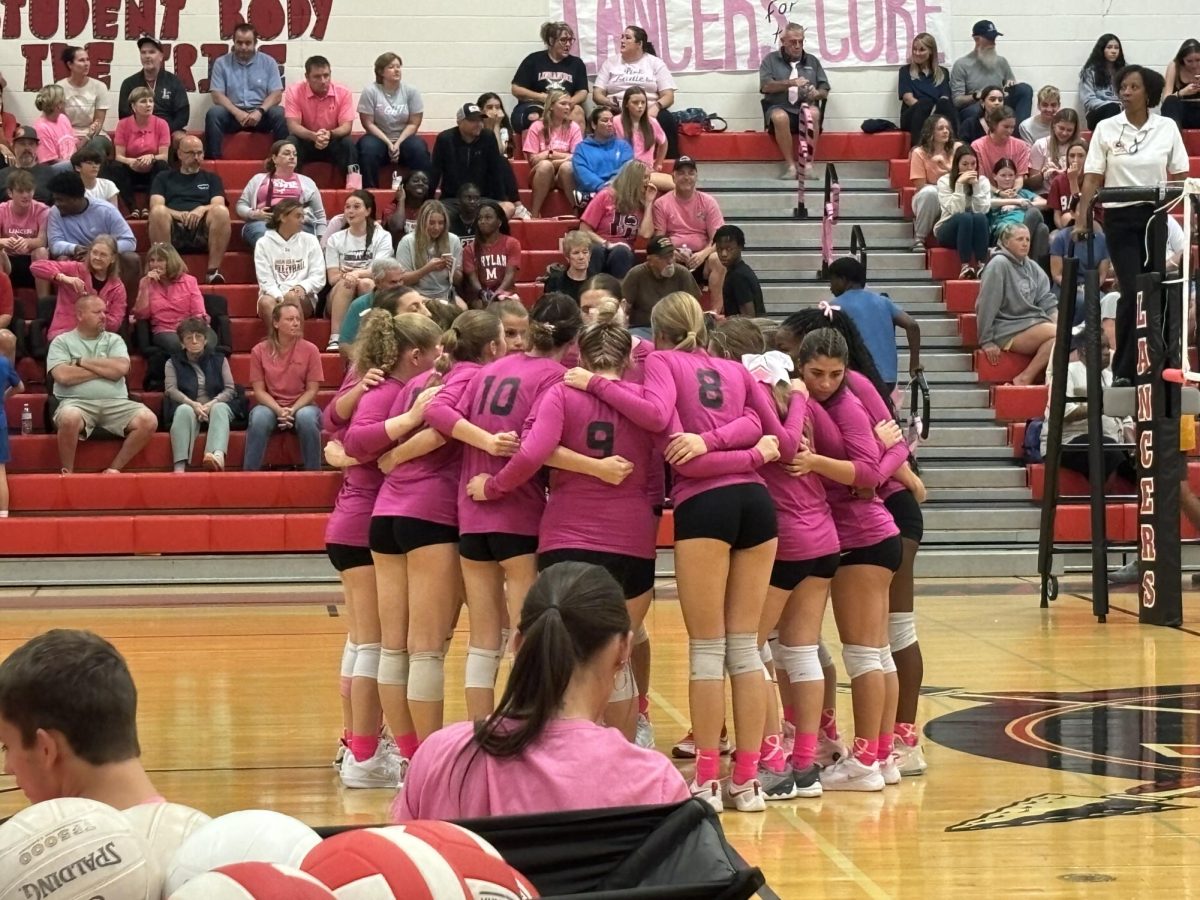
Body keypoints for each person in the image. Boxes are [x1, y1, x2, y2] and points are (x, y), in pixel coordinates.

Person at [566, 291, 784, 812]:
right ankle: (748, 781)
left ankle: (708, 778)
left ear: (656, 332)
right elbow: (774, 435)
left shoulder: (661, 361)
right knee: (747, 649)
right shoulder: (735, 369)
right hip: (758, 503)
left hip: (706, 506)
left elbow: (664, 423)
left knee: (708, 649)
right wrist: (746, 452)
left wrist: (595, 381)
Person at [395, 562, 689, 820]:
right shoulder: (654, 783)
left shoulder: (441, 758)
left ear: (518, 643)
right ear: (623, 648)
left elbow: (408, 870)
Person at [412, 294, 582, 721]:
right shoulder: (555, 378)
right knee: (524, 632)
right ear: (572, 337)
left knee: (484, 637)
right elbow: (533, 450)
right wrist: (496, 485)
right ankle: (519, 726)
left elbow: (437, 411)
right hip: (515, 513)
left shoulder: (490, 370)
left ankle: (480, 732)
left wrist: (482, 448)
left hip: (470, 518)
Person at [332, 310, 444, 784]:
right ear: (414, 354)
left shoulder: (383, 387)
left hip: (353, 520)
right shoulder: (388, 391)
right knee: (377, 645)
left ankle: (360, 746)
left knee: (364, 643)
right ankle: (366, 754)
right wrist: (413, 420)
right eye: (435, 350)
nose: (441, 357)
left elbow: (339, 435)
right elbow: (353, 439)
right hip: (362, 522)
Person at [1076, 64, 1189, 385]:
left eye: (1133, 87)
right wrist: (1083, 217)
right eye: (1122, 87)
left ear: (1148, 93)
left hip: (1155, 215)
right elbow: (1092, 176)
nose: (1125, 92)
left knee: (1156, 284)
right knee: (1130, 287)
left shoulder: (1166, 127)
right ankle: (1124, 370)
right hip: (1120, 218)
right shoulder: (1107, 128)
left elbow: (1181, 176)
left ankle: (1161, 361)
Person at [0, 629, 162, 807]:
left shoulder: (23, 833)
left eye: (6, 746)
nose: (7, 768)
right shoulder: (188, 830)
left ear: (45, 749)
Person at [47, 294, 157, 473]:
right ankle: (68, 472)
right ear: (80, 315)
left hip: (117, 404)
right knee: (69, 418)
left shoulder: (115, 340)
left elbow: (120, 369)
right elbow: (63, 376)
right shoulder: (62, 342)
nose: (104, 316)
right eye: (97, 312)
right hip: (76, 403)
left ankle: (114, 469)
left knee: (149, 420)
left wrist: (80, 361)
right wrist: (104, 369)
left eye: (104, 311)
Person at [1040, 330, 1133, 484]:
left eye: (1108, 348)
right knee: (1107, 450)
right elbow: (1064, 413)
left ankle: (1140, 506)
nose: (1107, 353)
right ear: (1084, 350)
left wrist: (1131, 443)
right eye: (1101, 347)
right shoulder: (1066, 373)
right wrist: (1102, 406)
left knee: (1145, 458)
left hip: (1110, 440)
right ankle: (1102, 506)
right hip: (1068, 441)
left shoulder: (1111, 376)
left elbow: (1125, 418)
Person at [245, 300, 324, 471]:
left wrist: (292, 409)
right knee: (259, 418)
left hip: (303, 404)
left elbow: (312, 390)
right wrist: (279, 410)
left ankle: (314, 474)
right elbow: (259, 391)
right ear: (275, 323)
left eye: (297, 319)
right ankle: (249, 475)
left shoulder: (311, 350)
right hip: (270, 404)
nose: (296, 323)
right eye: (289, 319)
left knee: (307, 419)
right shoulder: (259, 351)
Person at [976, 222, 1058, 385]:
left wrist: (1057, 322)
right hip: (1007, 328)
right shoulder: (998, 264)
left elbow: (1047, 300)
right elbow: (986, 304)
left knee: (1059, 340)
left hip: (1032, 323)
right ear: (1006, 242)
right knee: (1063, 335)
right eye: (1019, 239)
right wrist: (986, 340)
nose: (1025, 243)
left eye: (1027, 239)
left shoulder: (1032, 266)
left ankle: (1025, 377)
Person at [828, 256, 922, 393]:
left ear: (843, 280)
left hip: (857, 380)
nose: (830, 287)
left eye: (832, 281)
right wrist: (914, 364)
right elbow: (912, 325)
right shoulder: (883, 301)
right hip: (887, 379)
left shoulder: (834, 306)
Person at [45, 170, 140, 303]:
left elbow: (130, 241)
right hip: (77, 258)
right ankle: (73, 310)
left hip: (105, 259)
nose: (56, 203)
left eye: (60, 200)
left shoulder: (106, 210)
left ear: (75, 198)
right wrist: (75, 248)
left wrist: (101, 251)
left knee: (131, 259)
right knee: (63, 259)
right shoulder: (55, 212)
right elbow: (54, 244)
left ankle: (123, 307)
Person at [148, 135, 231, 285]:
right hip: (173, 227)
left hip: (202, 228)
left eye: (199, 153)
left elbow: (218, 203)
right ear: (180, 154)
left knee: (221, 211)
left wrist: (201, 210)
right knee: (158, 212)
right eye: (191, 153)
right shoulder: (164, 177)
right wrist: (179, 215)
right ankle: (166, 269)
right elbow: (155, 204)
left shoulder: (211, 179)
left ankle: (213, 271)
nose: (196, 157)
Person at [593, 25, 679, 159]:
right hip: (618, 109)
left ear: (639, 44)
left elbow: (668, 96)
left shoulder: (655, 63)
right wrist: (606, 101)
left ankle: (669, 163)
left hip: (647, 109)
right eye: (622, 37)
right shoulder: (610, 63)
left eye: (627, 38)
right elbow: (597, 93)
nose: (622, 40)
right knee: (603, 119)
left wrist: (656, 107)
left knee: (667, 119)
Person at [204, 24, 289, 159]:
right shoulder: (221, 63)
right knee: (214, 113)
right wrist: (237, 113)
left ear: (255, 43)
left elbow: (276, 94)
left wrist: (260, 111)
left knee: (280, 113)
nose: (243, 47)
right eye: (240, 42)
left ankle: (282, 159)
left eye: (248, 43)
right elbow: (217, 96)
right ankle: (213, 163)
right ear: (234, 41)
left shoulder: (269, 62)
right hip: (233, 116)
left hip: (260, 116)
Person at [163, 316, 236, 472]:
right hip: (189, 405)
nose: (194, 341)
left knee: (220, 408)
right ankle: (179, 467)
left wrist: (211, 404)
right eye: (189, 338)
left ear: (205, 340)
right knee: (183, 410)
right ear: (182, 343)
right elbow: (171, 390)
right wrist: (193, 404)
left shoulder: (219, 359)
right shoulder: (172, 363)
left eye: (199, 337)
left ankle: (216, 456)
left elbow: (230, 389)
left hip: (214, 404)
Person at [324, 190, 394, 351]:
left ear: (368, 211)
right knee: (346, 283)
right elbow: (333, 278)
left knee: (367, 283)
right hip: (338, 295)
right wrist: (349, 276)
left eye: (356, 207)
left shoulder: (382, 237)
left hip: (370, 288)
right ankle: (335, 338)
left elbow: (379, 271)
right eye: (347, 207)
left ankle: (371, 336)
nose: (350, 211)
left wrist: (355, 273)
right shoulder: (335, 239)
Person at [759, 24, 830, 180]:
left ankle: (808, 164)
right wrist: (790, 83)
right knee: (779, 117)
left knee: (813, 112)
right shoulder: (770, 60)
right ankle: (791, 166)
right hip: (779, 107)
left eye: (800, 41)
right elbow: (765, 86)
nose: (797, 46)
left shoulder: (812, 60)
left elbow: (825, 89)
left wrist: (817, 94)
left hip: (805, 106)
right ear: (783, 41)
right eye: (793, 42)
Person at [651, 155, 726, 303]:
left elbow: (719, 238)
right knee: (660, 257)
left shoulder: (708, 202)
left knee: (718, 259)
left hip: (702, 258)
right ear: (673, 177)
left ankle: (715, 311)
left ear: (696, 176)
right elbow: (659, 239)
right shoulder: (661, 204)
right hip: (674, 256)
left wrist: (703, 254)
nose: (686, 177)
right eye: (681, 173)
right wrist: (671, 251)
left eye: (691, 173)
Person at [430, 104, 521, 219]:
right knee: (433, 213)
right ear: (459, 121)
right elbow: (435, 172)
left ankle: (477, 233)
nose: (478, 124)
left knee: (508, 207)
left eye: (480, 119)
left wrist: (500, 200)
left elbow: (495, 172)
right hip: (452, 200)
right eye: (472, 120)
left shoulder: (488, 137)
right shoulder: (445, 139)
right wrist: (428, 200)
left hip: (482, 199)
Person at [356, 52, 432, 190]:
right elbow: (368, 123)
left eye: (398, 66)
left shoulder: (411, 91)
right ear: (381, 71)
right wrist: (388, 143)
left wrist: (397, 143)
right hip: (379, 138)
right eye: (391, 67)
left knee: (419, 148)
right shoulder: (371, 91)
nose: (397, 70)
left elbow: (414, 123)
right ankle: (370, 192)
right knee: (368, 149)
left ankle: (422, 192)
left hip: (404, 138)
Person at [236, 140, 327, 249]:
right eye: (287, 153)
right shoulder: (258, 179)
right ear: (274, 158)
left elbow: (320, 215)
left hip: (296, 223)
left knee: (301, 239)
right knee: (266, 239)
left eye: (295, 154)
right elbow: (241, 205)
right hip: (264, 222)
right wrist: (255, 214)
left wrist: (321, 238)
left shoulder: (307, 182)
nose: (292, 157)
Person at [32, 234, 126, 340]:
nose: (97, 258)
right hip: (65, 334)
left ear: (113, 258)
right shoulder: (74, 269)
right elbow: (36, 266)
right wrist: (63, 278)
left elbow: (115, 323)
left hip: (97, 337)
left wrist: (90, 319)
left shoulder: (117, 287)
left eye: (103, 255)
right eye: (94, 252)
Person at [253, 198, 327, 327]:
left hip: (303, 297)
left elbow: (319, 276)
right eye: (298, 216)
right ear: (283, 217)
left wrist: (303, 287)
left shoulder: (311, 240)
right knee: (265, 302)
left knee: (292, 297)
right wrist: (281, 298)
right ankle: (280, 344)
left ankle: (295, 344)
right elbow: (265, 281)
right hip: (274, 296)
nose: (302, 221)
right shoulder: (263, 243)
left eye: (303, 216)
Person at [949, 21, 1033, 132]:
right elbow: (957, 100)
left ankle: (1018, 133)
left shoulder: (1001, 61)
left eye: (994, 39)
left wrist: (1010, 83)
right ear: (976, 39)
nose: (993, 43)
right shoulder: (962, 64)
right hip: (978, 104)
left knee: (1024, 89)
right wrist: (976, 96)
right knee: (973, 112)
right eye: (989, 39)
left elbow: (1010, 81)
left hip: (999, 100)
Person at [579, 160, 656, 279]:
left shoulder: (641, 203)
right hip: (601, 245)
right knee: (596, 250)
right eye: (644, 178)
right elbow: (584, 229)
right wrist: (607, 244)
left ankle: (619, 295)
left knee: (621, 252)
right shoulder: (605, 196)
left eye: (648, 178)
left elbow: (646, 234)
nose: (648, 182)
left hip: (623, 253)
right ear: (633, 179)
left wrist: (649, 203)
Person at [510, 21, 590, 132]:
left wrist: (568, 103)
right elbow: (516, 89)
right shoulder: (533, 60)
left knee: (578, 112)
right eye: (563, 40)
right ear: (551, 41)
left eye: (570, 40)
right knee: (534, 117)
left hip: (565, 105)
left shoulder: (576, 63)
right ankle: (541, 148)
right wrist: (541, 97)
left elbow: (582, 92)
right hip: (538, 104)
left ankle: (574, 149)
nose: (568, 45)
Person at [284, 55, 357, 175]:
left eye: (326, 75)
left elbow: (346, 127)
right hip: (307, 140)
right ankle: (289, 184)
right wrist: (313, 136)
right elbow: (293, 126)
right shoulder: (294, 91)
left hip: (331, 140)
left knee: (347, 143)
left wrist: (330, 134)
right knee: (291, 142)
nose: (323, 81)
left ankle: (352, 185)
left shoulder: (343, 92)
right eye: (317, 77)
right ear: (307, 77)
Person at [131, 242, 208, 353]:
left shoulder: (190, 281)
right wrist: (145, 286)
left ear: (171, 261)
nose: (155, 264)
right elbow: (141, 315)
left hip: (191, 327)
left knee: (207, 345)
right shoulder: (146, 282)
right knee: (179, 346)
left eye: (160, 260)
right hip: (165, 330)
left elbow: (198, 312)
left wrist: (192, 333)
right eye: (152, 261)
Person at [117, 35, 190, 148]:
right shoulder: (129, 83)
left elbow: (183, 115)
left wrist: (163, 130)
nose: (147, 56)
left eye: (151, 52)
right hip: (138, 130)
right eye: (143, 52)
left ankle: (181, 166)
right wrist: (145, 129)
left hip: (169, 129)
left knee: (184, 140)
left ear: (161, 56)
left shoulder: (174, 81)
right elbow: (124, 114)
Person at [110, 87, 170, 217]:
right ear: (133, 106)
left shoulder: (162, 124)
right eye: (143, 101)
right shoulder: (123, 124)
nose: (148, 104)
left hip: (152, 170)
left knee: (162, 165)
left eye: (151, 101)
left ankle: (148, 206)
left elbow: (164, 156)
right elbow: (119, 156)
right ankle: (133, 208)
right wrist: (130, 161)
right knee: (115, 167)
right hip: (131, 169)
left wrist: (152, 157)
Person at [522, 89, 581, 218]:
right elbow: (533, 160)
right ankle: (535, 213)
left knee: (568, 167)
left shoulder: (574, 127)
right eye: (563, 104)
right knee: (545, 166)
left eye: (569, 104)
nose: (567, 107)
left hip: (563, 175)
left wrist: (549, 154)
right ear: (552, 106)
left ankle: (577, 212)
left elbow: (578, 157)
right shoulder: (537, 126)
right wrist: (563, 157)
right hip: (541, 175)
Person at [935, 145, 991, 279]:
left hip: (973, 231)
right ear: (957, 165)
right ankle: (965, 266)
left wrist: (976, 186)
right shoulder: (944, 181)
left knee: (979, 218)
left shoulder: (983, 181)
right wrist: (959, 185)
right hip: (948, 231)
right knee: (965, 217)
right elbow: (955, 211)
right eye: (965, 164)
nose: (970, 168)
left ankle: (981, 265)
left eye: (973, 164)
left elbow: (982, 210)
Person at [622, 234, 701, 330]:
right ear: (650, 261)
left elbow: (694, 308)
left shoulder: (682, 273)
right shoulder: (636, 274)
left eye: (672, 256)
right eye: (664, 258)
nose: (670, 261)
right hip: (644, 327)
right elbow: (623, 308)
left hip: (675, 329)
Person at [908, 114, 959, 253]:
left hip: (955, 192)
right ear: (930, 132)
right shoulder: (919, 152)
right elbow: (920, 185)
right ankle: (919, 238)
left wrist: (946, 167)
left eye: (947, 128)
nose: (945, 131)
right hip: (929, 195)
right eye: (940, 128)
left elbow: (965, 175)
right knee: (930, 192)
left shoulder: (958, 148)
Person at [395, 200, 462, 303]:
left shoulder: (454, 240)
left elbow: (459, 281)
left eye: (441, 223)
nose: (437, 227)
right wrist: (426, 269)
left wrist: (452, 269)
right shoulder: (407, 242)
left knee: (463, 308)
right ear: (422, 222)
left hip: (445, 294)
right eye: (431, 223)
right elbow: (402, 280)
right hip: (417, 295)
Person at [336, 260, 412, 351]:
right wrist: (367, 361)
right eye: (393, 282)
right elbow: (344, 345)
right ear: (377, 282)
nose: (399, 286)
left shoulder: (410, 303)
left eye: (401, 281)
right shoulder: (360, 305)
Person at [898, 32, 954, 149]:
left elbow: (945, 97)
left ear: (931, 51)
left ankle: (954, 146)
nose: (917, 53)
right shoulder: (905, 71)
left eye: (922, 50)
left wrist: (933, 116)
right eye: (915, 49)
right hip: (913, 116)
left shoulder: (943, 72)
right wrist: (928, 114)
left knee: (947, 105)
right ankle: (918, 147)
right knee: (924, 103)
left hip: (936, 114)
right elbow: (908, 98)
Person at [0, 168, 51, 292]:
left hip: (31, 256)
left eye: (29, 191)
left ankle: (43, 303)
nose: (25, 195)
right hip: (8, 257)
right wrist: (5, 242)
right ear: (10, 193)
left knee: (41, 251)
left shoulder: (43, 210)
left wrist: (26, 242)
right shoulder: (2, 209)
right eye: (20, 191)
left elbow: (42, 240)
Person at [613, 86, 672, 193]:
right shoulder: (615, 122)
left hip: (647, 173)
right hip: (625, 172)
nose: (640, 106)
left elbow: (664, 143)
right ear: (626, 104)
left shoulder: (652, 122)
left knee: (678, 185)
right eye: (635, 102)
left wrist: (658, 164)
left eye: (643, 102)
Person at [463, 201, 522, 306]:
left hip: (506, 294)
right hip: (480, 297)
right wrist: (482, 293)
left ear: (499, 222)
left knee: (508, 306)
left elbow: (510, 274)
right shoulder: (469, 249)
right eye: (480, 218)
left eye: (488, 217)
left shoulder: (512, 243)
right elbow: (472, 279)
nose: (482, 221)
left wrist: (498, 293)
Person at [988, 157, 1048, 259]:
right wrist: (1015, 201)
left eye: (1011, 175)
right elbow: (987, 203)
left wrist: (1025, 203)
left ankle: (1030, 267)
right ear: (994, 176)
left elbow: (1045, 203)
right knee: (1038, 222)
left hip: (1027, 224)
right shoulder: (992, 195)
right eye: (1003, 175)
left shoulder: (1022, 193)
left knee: (1041, 226)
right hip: (1005, 231)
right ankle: (1027, 265)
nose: (1007, 179)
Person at [57, 46, 112, 156]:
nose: (86, 63)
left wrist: (85, 139)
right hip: (68, 134)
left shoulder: (100, 86)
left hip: (94, 135)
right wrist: (72, 141)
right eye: (81, 60)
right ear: (70, 65)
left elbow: (98, 122)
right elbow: (60, 121)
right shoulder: (59, 87)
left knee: (94, 146)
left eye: (87, 60)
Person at [571, 108, 635, 202]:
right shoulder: (581, 148)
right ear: (593, 125)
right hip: (592, 195)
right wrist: (602, 187)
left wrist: (612, 185)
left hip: (619, 191)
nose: (610, 124)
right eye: (605, 120)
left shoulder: (623, 146)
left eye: (611, 121)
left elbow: (627, 166)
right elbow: (583, 174)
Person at [714, 224, 764, 318]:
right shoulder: (740, 271)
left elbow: (748, 318)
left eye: (729, 249)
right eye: (720, 249)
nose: (723, 254)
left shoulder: (738, 276)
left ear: (740, 247)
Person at [1079, 34, 1126, 130]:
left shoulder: (1125, 71)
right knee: (1113, 108)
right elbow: (1088, 101)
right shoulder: (1090, 71)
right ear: (1102, 50)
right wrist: (1114, 104)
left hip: (1121, 111)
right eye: (1109, 47)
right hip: (1097, 113)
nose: (1113, 51)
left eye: (1116, 48)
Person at [1026, 109, 1080, 193]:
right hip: (1046, 195)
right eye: (1061, 128)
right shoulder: (1041, 144)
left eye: (1069, 130)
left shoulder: (1080, 145)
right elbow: (1032, 184)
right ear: (1054, 125)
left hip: (1071, 194)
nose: (1064, 133)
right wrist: (1042, 173)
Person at [0, 126, 58, 203]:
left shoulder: (49, 173)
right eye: (22, 144)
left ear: (37, 147)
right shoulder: (2, 175)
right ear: (13, 146)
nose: (27, 148)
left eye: (31, 144)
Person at [33, 85, 78, 169]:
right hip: (55, 173)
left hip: (72, 169)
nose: (66, 101)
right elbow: (50, 162)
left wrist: (89, 136)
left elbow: (74, 147)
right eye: (64, 98)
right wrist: (77, 165)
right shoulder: (41, 128)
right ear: (58, 105)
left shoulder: (63, 118)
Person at [1048, 139, 1088, 232]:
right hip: (1065, 228)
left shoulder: (1093, 180)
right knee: (1053, 237)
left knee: (1069, 216)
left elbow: (1081, 212)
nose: (1075, 160)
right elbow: (1057, 215)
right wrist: (1063, 234)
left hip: (1090, 225)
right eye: (1072, 156)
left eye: (1081, 156)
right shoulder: (1058, 181)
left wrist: (1073, 180)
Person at [542, 229, 592, 302]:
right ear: (567, 257)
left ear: (590, 255)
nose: (581, 257)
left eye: (585, 252)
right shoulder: (554, 282)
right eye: (576, 253)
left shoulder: (596, 282)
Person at [383, 169, 431, 245]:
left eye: (425, 182)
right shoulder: (392, 208)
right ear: (406, 186)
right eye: (415, 181)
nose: (421, 183)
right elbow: (397, 226)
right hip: (398, 251)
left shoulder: (430, 209)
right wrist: (401, 200)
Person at [1162, 39, 1200, 130]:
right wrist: (1182, 92)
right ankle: (1174, 139)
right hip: (1181, 111)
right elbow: (1165, 99)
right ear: (1182, 59)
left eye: (1198, 60)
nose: (1194, 65)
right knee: (1170, 101)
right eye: (1189, 61)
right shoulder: (1174, 66)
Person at [446, 182, 483, 248]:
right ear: (458, 200)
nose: (472, 201)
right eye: (468, 198)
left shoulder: (483, 222)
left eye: (476, 198)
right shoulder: (449, 223)